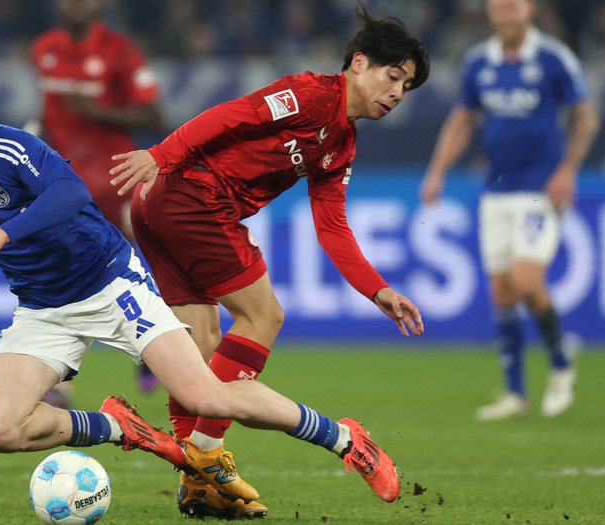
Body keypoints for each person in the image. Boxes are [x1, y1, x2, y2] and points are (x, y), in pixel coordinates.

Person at [0, 85, 405, 519]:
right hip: (43, 307)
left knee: (210, 397)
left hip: (111, 284)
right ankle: (118, 427)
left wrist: (0, 234)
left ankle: (348, 440)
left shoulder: (6, 148)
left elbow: (71, 194)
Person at [110, 3, 428, 518]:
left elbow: (332, 227)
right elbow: (231, 114)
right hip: (191, 194)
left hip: (157, 206)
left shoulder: (342, 144)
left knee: (201, 347)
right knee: (264, 316)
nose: (396, 93)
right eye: (393, 77)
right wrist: (163, 154)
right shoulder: (310, 94)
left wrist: (377, 289)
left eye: (406, 87)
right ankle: (209, 458)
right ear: (359, 63)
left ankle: (198, 485)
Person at [419, 0, 598, 420]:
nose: (506, 12)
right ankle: (516, 392)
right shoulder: (479, 61)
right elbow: (463, 119)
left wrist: (568, 170)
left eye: (513, 5)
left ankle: (561, 363)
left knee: (525, 279)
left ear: (529, 9)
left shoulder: (554, 57)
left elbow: (585, 116)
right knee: (501, 290)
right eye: (499, 6)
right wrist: (437, 171)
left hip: (540, 191)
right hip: (496, 192)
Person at [30, 0, 167, 396]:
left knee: (138, 267)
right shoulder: (44, 48)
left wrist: (96, 111)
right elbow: (50, 109)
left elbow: (156, 116)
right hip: (67, 182)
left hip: (116, 178)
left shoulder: (119, 51)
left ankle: (151, 354)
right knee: (60, 270)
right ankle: (58, 379)